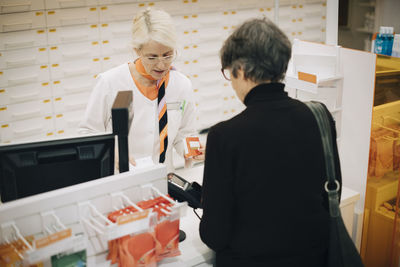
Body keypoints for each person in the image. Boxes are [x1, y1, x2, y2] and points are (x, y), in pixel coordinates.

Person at [199, 18, 342, 266]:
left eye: (229, 73)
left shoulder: (225, 136)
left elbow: (215, 235)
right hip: (315, 259)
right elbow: (331, 196)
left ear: (240, 70)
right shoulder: (320, 116)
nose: (231, 83)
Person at [79, 8, 204, 172]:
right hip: (121, 179)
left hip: (163, 179)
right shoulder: (110, 82)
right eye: (152, 57)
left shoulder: (182, 84)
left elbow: (185, 133)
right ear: (137, 50)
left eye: (167, 55)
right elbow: (88, 132)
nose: (161, 65)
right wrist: (110, 151)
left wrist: (193, 151)